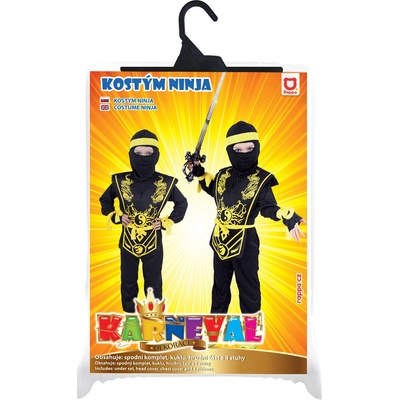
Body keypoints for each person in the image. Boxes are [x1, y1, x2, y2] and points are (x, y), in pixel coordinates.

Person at [192, 121, 305, 314]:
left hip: (246, 242)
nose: (244, 153)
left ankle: (250, 329)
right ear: (230, 150)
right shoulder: (223, 175)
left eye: (249, 148)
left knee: (248, 289)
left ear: (257, 148)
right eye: (238, 149)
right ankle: (215, 325)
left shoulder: (262, 179)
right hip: (220, 240)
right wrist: (200, 173)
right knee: (219, 288)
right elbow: (214, 191)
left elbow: (268, 207)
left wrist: (287, 217)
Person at [99, 129, 188, 312]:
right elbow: (105, 200)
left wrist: (166, 221)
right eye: (138, 153)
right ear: (131, 154)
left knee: (153, 281)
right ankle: (129, 316)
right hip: (128, 239)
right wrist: (117, 216)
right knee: (128, 280)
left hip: (153, 240)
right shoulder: (120, 180)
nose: (143, 158)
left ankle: (153, 316)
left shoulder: (165, 182)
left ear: (156, 155)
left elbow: (182, 203)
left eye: (148, 153)